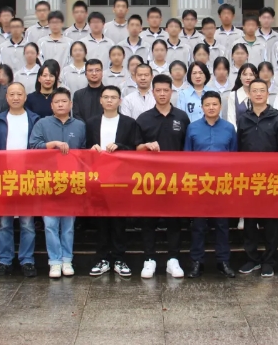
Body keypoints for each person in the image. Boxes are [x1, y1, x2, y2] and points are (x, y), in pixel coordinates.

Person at [136, 74, 191, 278]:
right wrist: (145, 146)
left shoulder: (182, 117)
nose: (161, 94)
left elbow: (188, 149)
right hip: (149, 179)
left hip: (176, 178)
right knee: (148, 220)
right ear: (152, 92)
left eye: (165, 90)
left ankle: (173, 259)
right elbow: (135, 148)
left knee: (174, 220)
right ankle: (149, 259)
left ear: (171, 92)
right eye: (158, 90)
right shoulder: (143, 118)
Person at [237, 78, 278, 277]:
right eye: (255, 91)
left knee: (270, 223)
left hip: (271, 179)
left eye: (262, 90)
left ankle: (269, 261)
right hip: (249, 179)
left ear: (268, 93)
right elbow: (239, 148)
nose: (258, 94)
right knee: (250, 222)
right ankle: (252, 259)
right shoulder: (244, 118)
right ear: (249, 94)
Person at [29, 87, 86, 278]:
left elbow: (84, 152)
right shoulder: (42, 123)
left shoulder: (80, 125)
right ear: (51, 105)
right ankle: (54, 261)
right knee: (50, 224)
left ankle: (67, 260)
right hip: (47, 180)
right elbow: (33, 147)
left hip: (71, 181)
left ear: (71, 104)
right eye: (57, 102)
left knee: (68, 225)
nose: (60, 105)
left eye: (64, 101)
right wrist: (52, 144)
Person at [86, 86, 140, 277]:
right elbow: (84, 148)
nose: (109, 100)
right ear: (100, 100)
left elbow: (134, 149)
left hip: (120, 178)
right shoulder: (91, 123)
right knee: (101, 220)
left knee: (118, 220)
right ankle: (102, 258)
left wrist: (120, 146)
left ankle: (119, 258)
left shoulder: (129, 123)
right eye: (106, 97)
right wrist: (91, 149)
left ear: (120, 101)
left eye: (113, 97)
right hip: (98, 178)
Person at [184, 91, 238, 278]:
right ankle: (196, 262)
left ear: (220, 106)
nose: (211, 108)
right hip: (199, 184)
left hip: (222, 184)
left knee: (222, 225)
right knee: (198, 225)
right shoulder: (192, 128)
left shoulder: (229, 128)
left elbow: (234, 157)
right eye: (207, 104)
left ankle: (223, 262)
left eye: (215, 104)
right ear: (202, 107)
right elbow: (187, 157)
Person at [0, 82, 41, 277]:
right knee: (5, 223)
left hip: (27, 177)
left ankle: (27, 260)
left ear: (25, 97)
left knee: (27, 223)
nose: (15, 97)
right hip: (4, 177)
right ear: (6, 97)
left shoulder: (34, 119)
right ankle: (4, 260)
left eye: (19, 94)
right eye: (12, 94)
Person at [227, 63, 258, 128]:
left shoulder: (261, 94)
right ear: (240, 77)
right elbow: (231, 120)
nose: (248, 78)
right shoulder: (233, 95)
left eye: (251, 75)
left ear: (256, 77)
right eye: (245, 74)